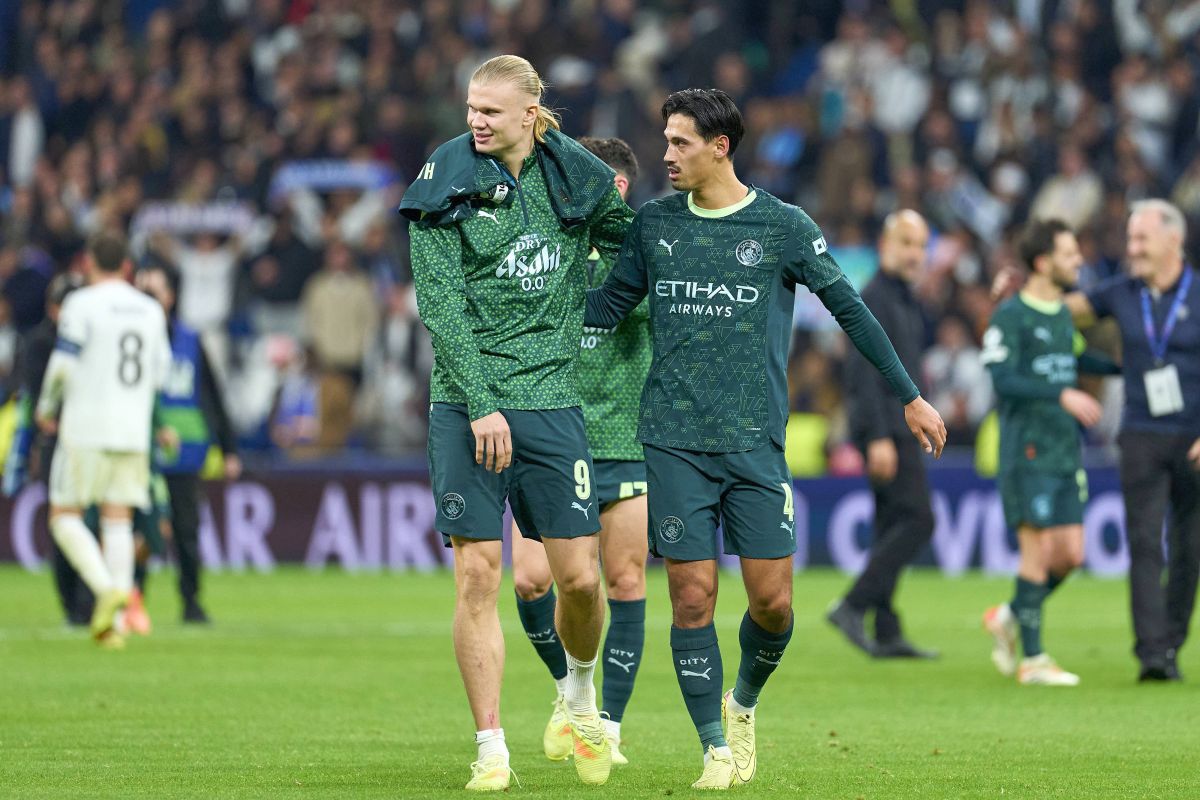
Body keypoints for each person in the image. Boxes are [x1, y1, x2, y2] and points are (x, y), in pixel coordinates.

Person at [585, 88, 947, 789]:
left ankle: (743, 701)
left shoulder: (782, 226)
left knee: (774, 606)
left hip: (754, 442)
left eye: (681, 142)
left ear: (720, 147)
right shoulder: (654, 223)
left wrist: (909, 396)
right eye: (666, 141)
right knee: (692, 597)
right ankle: (714, 747)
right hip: (673, 439)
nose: (667, 155)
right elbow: (606, 308)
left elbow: (850, 309)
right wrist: (542, 286)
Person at [398, 55, 634, 790]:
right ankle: (491, 746)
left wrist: (616, 300)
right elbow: (440, 305)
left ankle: (578, 694)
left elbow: (627, 240)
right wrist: (481, 403)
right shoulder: (445, 178)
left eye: (491, 111)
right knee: (479, 574)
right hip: (466, 402)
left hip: (552, 397)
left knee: (581, 582)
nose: (475, 121)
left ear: (530, 115)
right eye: (471, 107)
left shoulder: (574, 175)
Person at [509, 136, 650, 766]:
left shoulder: (643, 249)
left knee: (623, 580)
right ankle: (571, 691)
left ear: (618, 190)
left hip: (623, 439)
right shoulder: (543, 244)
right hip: (549, 432)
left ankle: (606, 726)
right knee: (531, 580)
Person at [1066, 199, 1200, 682]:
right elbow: (1058, 312)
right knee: (1144, 543)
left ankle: (1171, 641)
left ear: (1173, 240)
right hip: (1141, 433)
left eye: (1142, 238)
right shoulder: (1121, 292)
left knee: (1190, 548)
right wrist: (1019, 295)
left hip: (1194, 438)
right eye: (1131, 238)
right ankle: (1152, 653)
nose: (1133, 248)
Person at [980, 218, 1117, 686]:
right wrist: (1061, 394)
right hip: (1027, 451)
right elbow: (1003, 380)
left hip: (1063, 450)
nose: (1078, 260)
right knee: (1036, 552)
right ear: (1043, 262)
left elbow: (1073, 358)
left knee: (1071, 555)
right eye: (1069, 253)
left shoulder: (1060, 314)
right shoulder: (1011, 316)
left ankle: (1010, 615)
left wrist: (1126, 367)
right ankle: (1034, 660)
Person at [35, 231, 172, 649]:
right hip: (133, 431)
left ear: (88, 264)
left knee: (63, 516)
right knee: (118, 520)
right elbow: (161, 374)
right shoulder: (150, 310)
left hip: (86, 427)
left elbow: (63, 364)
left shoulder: (81, 304)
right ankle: (118, 623)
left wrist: (46, 407)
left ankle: (106, 589)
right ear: (127, 267)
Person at [827, 210, 938, 660]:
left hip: (897, 427)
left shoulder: (903, 299)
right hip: (888, 429)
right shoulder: (874, 297)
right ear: (885, 246)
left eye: (921, 245)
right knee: (919, 519)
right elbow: (861, 373)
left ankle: (887, 628)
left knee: (892, 522)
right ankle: (853, 605)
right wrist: (876, 437)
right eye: (906, 243)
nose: (915, 254)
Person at [135, 261, 242, 624]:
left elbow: (212, 395)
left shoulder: (190, 341)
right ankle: (134, 600)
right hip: (141, 451)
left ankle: (191, 601)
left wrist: (228, 448)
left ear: (170, 297)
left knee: (186, 531)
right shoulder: (131, 339)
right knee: (139, 530)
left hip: (184, 452)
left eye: (155, 292)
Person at [5, 273, 89, 624]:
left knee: (88, 523)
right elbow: (39, 401)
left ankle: (88, 600)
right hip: (58, 443)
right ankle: (72, 603)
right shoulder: (39, 343)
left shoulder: (87, 338)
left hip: (87, 440)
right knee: (65, 523)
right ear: (53, 308)